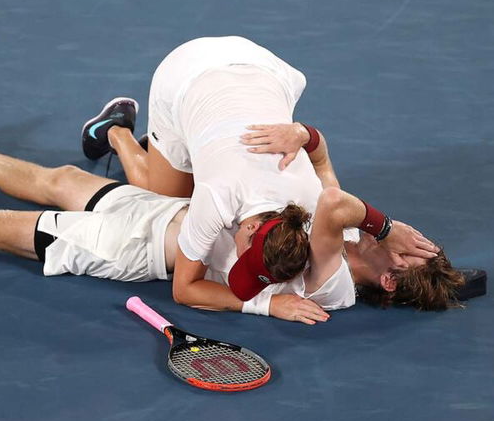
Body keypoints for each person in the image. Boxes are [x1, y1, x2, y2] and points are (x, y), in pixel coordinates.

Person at [0, 78, 463, 321]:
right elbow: (330, 189)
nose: (399, 243)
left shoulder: (336, 275)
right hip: (167, 218)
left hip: (126, 249)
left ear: (394, 273)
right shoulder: (340, 253)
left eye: (404, 251)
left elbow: (339, 206)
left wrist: (387, 222)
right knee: (56, 177)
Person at [77, 36, 445, 309]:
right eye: (417, 239)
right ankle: (117, 133)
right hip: (210, 75)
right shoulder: (347, 225)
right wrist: (304, 133)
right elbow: (323, 168)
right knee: (164, 197)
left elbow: (333, 197)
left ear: (390, 277)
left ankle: (139, 139)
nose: (408, 239)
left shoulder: (333, 282)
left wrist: (387, 228)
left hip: (233, 71)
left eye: (412, 250)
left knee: (170, 200)